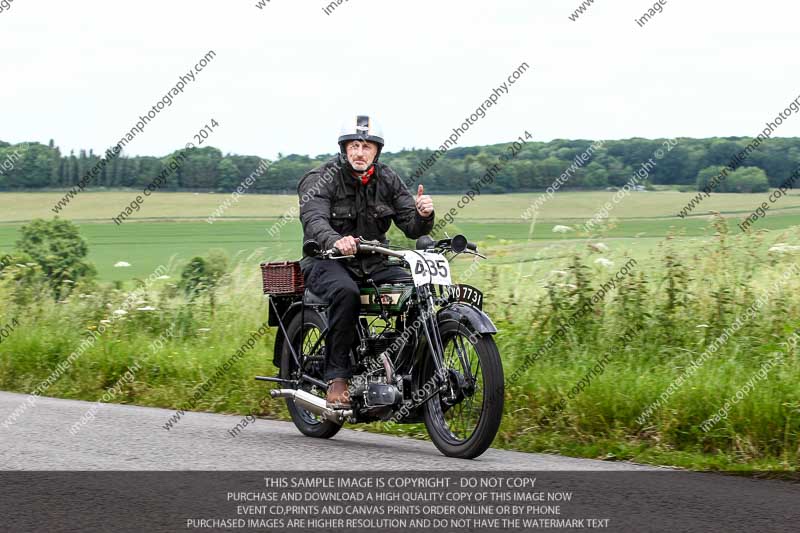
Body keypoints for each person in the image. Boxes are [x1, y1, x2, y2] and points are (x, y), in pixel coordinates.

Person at [297, 115, 435, 408]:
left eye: (367, 146)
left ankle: (404, 369)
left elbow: (410, 225)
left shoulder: (387, 179)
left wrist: (423, 215)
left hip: (372, 262)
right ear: (345, 148)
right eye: (355, 146)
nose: (360, 152)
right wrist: (334, 240)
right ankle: (337, 380)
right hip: (326, 261)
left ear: (376, 151)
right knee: (346, 293)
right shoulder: (321, 178)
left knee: (416, 288)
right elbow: (313, 218)